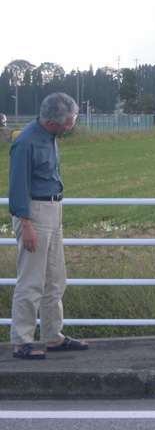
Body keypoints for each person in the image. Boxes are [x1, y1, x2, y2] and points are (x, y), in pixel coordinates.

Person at [9, 92, 88, 360]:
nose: (71, 126)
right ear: (53, 122)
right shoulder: (26, 142)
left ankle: (53, 336)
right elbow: (17, 187)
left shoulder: (49, 136)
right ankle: (22, 341)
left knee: (55, 278)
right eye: (69, 122)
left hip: (53, 209)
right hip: (34, 212)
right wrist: (26, 225)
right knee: (31, 280)